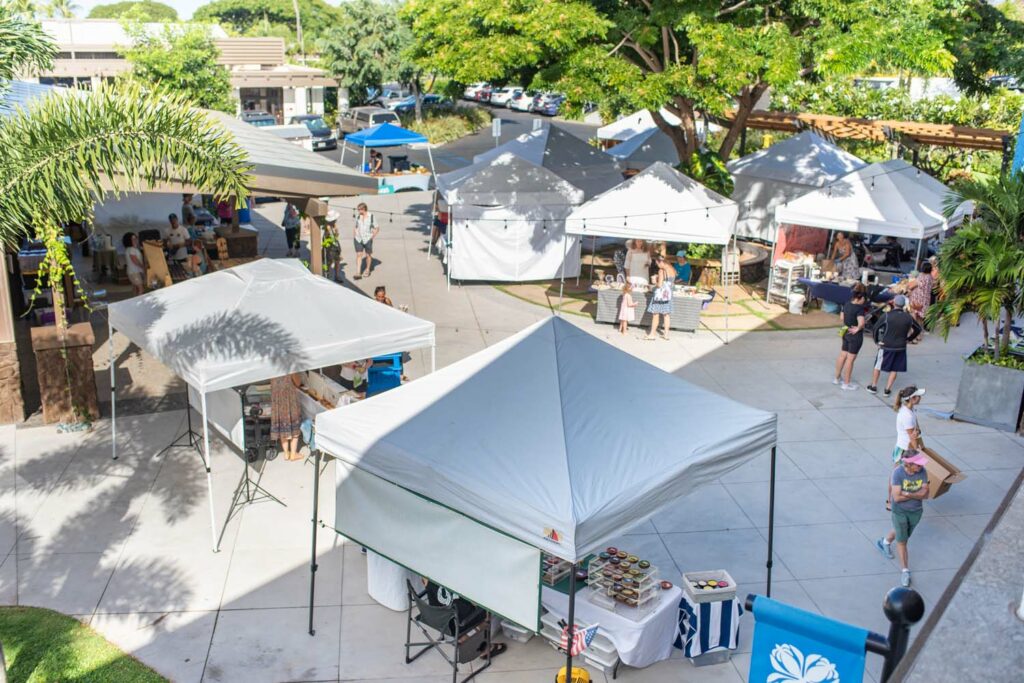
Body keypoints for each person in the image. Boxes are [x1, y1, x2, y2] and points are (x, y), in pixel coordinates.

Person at [876, 450, 930, 587]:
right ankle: (905, 571)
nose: (920, 466)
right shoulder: (898, 473)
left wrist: (907, 493)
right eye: (917, 464)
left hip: (916, 511)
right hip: (899, 512)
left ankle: (885, 542)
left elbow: (926, 494)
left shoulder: (922, 471)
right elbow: (897, 498)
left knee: (903, 533)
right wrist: (916, 493)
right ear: (909, 464)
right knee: (902, 541)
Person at [421, 579, 507, 660]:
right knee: (485, 609)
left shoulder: (427, 574)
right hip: (458, 624)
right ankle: (484, 648)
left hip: (437, 619)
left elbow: (426, 584)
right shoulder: (460, 579)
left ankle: (463, 637)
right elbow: (476, 602)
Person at [867, 295, 922, 396]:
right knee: (894, 368)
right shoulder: (908, 317)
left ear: (894, 303)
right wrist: (909, 339)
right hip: (900, 346)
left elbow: (875, 328)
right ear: (904, 305)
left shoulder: (887, 316)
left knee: (878, 366)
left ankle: (873, 386)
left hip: (886, 346)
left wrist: (877, 341)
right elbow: (918, 329)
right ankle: (887, 390)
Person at [834, 283, 867, 390]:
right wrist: (858, 328)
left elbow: (841, 317)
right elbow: (861, 322)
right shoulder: (859, 309)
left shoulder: (847, 304)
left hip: (845, 332)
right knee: (850, 359)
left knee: (842, 355)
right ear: (861, 297)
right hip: (855, 336)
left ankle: (837, 378)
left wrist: (847, 325)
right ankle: (846, 383)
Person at [270, 373, 303, 461]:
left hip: (277, 402)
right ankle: (293, 454)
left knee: (282, 426)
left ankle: (286, 454)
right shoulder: (290, 366)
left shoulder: (272, 366)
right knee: (294, 426)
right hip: (290, 400)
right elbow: (298, 383)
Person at [892, 385, 925, 463]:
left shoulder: (909, 408)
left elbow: (916, 428)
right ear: (911, 398)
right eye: (918, 396)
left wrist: (918, 431)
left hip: (907, 448)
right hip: (905, 451)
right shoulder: (907, 416)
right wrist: (918, 454)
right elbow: (912, 437)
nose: (920, 397)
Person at [644, 255, 674, 340]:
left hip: (660, 296)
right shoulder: (672, 269)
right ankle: (666, 334)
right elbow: (669, 282)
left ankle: (652, 334)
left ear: (660, 262)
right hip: (668, 296)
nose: (657, 265)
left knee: (655, 314)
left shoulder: (661, 270)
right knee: (666, 315)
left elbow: (660, 285)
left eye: (657, 263)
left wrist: (654, 281)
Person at [353, 202, 378, 279]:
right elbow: (355, 226)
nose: (358, 211)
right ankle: (358, 272)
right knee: (359, 255)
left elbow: (377, 227)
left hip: (367, 239)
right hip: (358, 238)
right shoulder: (358, 216)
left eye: (359, 209)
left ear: (363, 209)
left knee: (368, 255)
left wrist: (372, 237)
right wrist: (354, 234)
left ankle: (367, 270)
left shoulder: (371, 216)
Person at [907, 262, 934, 329]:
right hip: (925, 300)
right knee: (920, 318)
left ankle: (914, 333)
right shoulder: (930, 277)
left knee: (914, 315)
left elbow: (911, 286)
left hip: (917, 299)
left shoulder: (922, 276)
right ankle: (919, 335)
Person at [323, 210, 342, 281]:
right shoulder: (328, 227)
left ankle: (336, 276)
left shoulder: (333, 225)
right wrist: (335, 232)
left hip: (334, 245)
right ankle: (327, 276)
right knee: (329, 262)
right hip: (330, 247)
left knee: (337, 261)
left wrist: (336, 231)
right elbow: (332, 237)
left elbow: (336, 236)